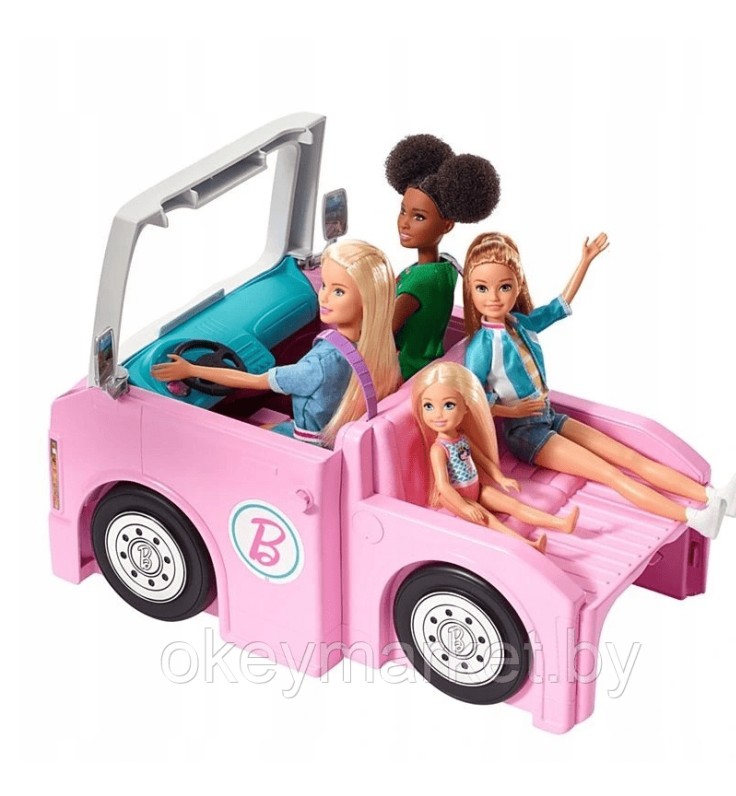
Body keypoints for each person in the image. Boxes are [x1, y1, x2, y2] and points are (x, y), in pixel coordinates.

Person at [462, 232, 736, 539]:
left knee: (629, 458)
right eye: (482, 288)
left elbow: (559, 305)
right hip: (526, 435)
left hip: (548, 416)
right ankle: (694, 518)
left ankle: (714, 496)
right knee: (610, 473)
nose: (493, 297)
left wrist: (585, 261)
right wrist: (513, 411)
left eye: (504, 287)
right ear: (470, 290)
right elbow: (473, 401)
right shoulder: (481, 347)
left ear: (518, 286)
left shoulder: (520, 323)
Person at [152, 240, 401, 448]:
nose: (323, 296)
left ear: (366, 301)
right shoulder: (378, 347)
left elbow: (253, 381)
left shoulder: (321, 363)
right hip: (330, 438)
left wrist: (191, 369)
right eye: (324, 285)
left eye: (338, 292)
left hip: (309, 445)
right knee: (266, 427)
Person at [412, 362, 581, 554]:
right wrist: (464, 507)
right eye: (428, 406)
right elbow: (443, 486)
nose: (438, 414)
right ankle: (530, 546)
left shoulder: (462, 438)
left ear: (466, 407)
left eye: (448, 405)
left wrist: (501, 478)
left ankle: (561, 524)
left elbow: (483, 461)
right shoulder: (438, 449)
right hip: (456, 497)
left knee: (514, 505)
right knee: (489, 521)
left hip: (476, 488)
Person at [385, 134, 500, 380]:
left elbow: (381, 332)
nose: (404, 223)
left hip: (403, 370)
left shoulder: (420, 283)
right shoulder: (446, 267)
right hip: (428, 362)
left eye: (419, 217)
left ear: (447, 225)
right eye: (403, 211)